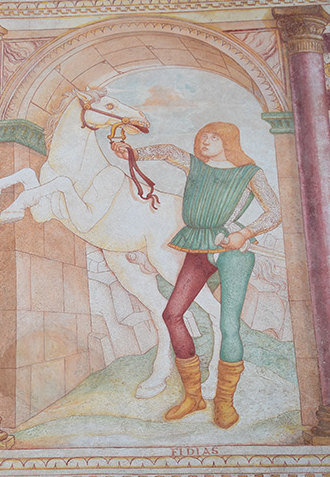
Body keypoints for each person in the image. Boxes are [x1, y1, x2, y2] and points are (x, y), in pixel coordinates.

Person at [113, 122, 282, 428]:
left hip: (232, 249)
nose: (206, 142)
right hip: (198, 244)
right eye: (203, 137)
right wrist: (133, 153)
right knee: (172, 314)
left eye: (213, 137)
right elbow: (168, 152)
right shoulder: (196, 166)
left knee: (228, 324)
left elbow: (274, 212)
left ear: (228, 141)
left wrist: (244, 234)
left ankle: (225, 402)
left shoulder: (249, 173)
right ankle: (193, 396)